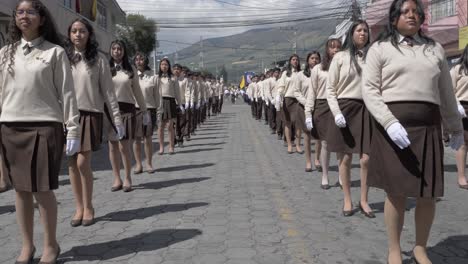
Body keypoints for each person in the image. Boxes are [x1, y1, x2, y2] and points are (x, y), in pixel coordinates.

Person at [362, 0, 463, 263]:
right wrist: (389, 122)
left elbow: (446, 93)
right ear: (394, 18)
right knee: (396, 192)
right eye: (405, 12)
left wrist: (455, 127)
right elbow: (370, 91)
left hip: (428, 127)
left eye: (417, 12)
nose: (412, 16)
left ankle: (420, 247)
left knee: (427, 192)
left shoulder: (434, 49)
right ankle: (394, 249)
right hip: (393, 129)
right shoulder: (380, 48)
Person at [0, 0, 81, 262]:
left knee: (42, 189)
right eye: (20, 12)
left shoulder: (55, 52)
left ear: (42, 18)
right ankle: (27, 246)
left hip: (44, 126)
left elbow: (68, 94)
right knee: (20, 190)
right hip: (10, 126)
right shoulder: (5, 53)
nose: (24, 16)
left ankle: (50, 245)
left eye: (31, 11)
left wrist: (73, 130)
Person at [66, 18, 123, 227]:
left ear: (89, 35)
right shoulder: (63, 58)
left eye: (82, 31)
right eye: (74, 31)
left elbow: (108, 93)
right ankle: (78, 207)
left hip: (90, 115)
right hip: (67, 115)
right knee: (72, 164)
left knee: (82, 162)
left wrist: (117, 119)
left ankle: (89, 205)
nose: (78, 35)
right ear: (69, 35)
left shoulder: (98, 60)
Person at [326, 20, 374, 218]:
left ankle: (364, 199)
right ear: (351, 34)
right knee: (345, 158)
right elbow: (330, 89)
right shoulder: (340, 57)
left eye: (365, 30)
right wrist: (337, 112)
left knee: (366, 159)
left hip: (367, 109)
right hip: (345, 109)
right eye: (359, 30)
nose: (363, 33)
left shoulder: (373, 57)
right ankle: (347, 199)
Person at [108, 40, 149, 193]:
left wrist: (144, 111)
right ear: (110, 51)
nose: (117, 51)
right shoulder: (106, 69)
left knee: (124, 146)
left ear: (124, 52)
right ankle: (116, 178)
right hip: (110, 110)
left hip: (126, 109)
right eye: (114, 49)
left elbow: (137, 91)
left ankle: (127, 177)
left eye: (120, 49)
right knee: (112, 147)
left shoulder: (130, 70)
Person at [305, 39, 342, 189]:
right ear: (327, 50)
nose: (336, 50)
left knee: (341, 144)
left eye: (339, 47)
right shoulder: (318, 69)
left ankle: (342, 175)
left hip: (341, 105)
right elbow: (311, 92)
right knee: (325, 143)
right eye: (332, 47)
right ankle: (325, 175)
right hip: (322, 105)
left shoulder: (344, 66)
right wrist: (308, 113)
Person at [133, 52, 158, 174]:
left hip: (149, 109)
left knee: (147, 137)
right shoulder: (131, 76)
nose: (138, 61)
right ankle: (138, 164)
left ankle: (149, 163)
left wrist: (158, 111)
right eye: (136, 59)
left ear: (146, 61)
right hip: (136, 109)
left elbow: (157, 96)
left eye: (141, 58)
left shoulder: (153, 77)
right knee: (136, 139)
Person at [295, 52, 321, 172]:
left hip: (319, 106)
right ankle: (308, 161)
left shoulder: (323, 73)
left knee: (319, 135)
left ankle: (317, 159)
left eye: (317, 58)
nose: (314, 60)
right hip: (304, 107)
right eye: (312, 58)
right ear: (308, 60)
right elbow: (297, 91)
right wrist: (306, 102)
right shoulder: (301, 75)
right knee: (307, 134)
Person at [277, 55, 304, 154]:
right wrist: (279, 96)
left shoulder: (301, 73)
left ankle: (297, 145)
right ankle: (289, 144)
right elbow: (281, 86)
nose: (295, 61)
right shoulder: (285, 73)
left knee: (298, 124)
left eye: (297, 59)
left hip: (298, 100)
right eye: (293, 59)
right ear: (290, 61)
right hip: (288, 99)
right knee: (287, 123)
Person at [451, 44, 468, 190]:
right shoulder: (458, 69)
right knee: (462, 143)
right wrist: (457, 105)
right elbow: (449, 90)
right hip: (462, 108)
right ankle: (461, 177)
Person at [157, 58, 182, 155]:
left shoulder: (173, 78)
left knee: (170, 126)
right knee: (160, 126)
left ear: (169, 66)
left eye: (166, 64)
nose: (164, 66)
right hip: (159, 102)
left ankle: (171, 147)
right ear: (160, 66)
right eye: (162, 64)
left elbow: (177, 92)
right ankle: (161, 147)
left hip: (170, 101)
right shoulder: (156, 77)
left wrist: (179, 104)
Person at [173, 64, 187, 147]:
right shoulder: (170, 79)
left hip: (182, 103)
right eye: (174, 69)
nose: (176, 70)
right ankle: (173, 139)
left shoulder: (184, 80)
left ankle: (180, 140)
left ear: (181, 71)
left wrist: (188, 103)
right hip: (172, 103)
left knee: (181, 122)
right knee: (173, 123)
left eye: (178, 69)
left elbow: (187, 92)